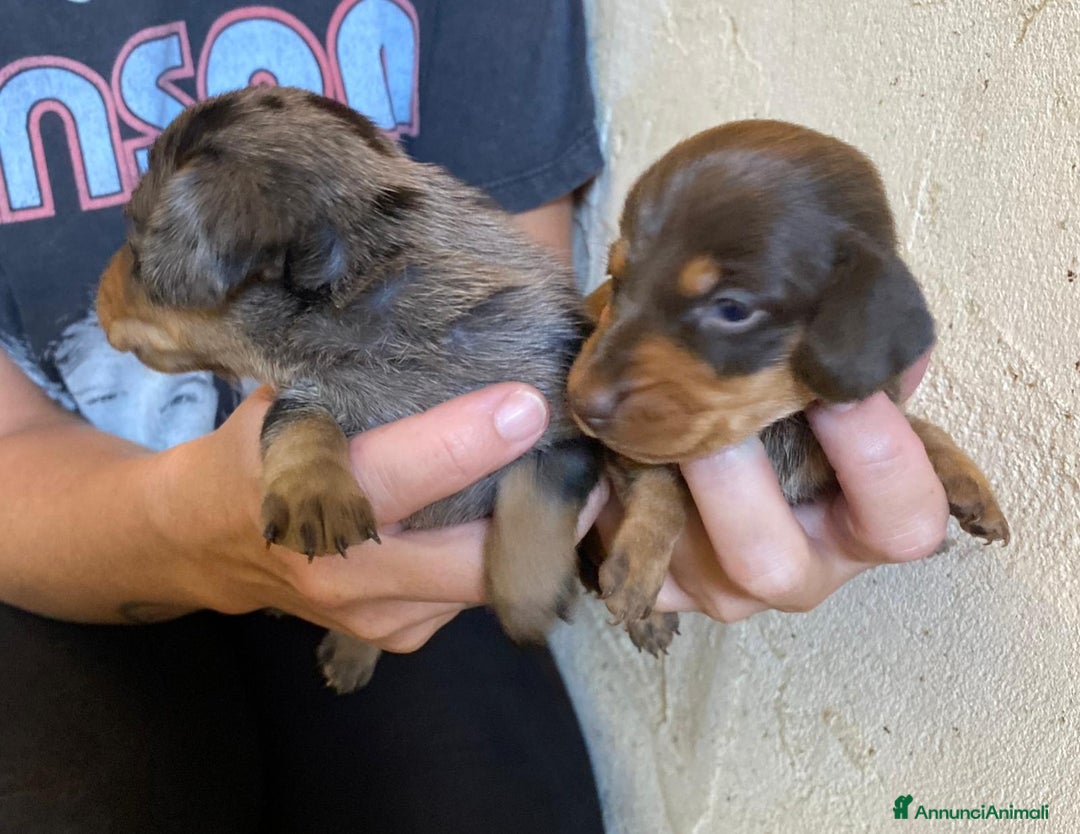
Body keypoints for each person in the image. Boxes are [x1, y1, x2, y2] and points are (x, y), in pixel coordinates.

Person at [0, 1, 949, 832]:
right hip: (57, 540)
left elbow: (537, 361)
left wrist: (628, 505)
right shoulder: (216, 292)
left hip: (423, 562)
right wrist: (200, 519)